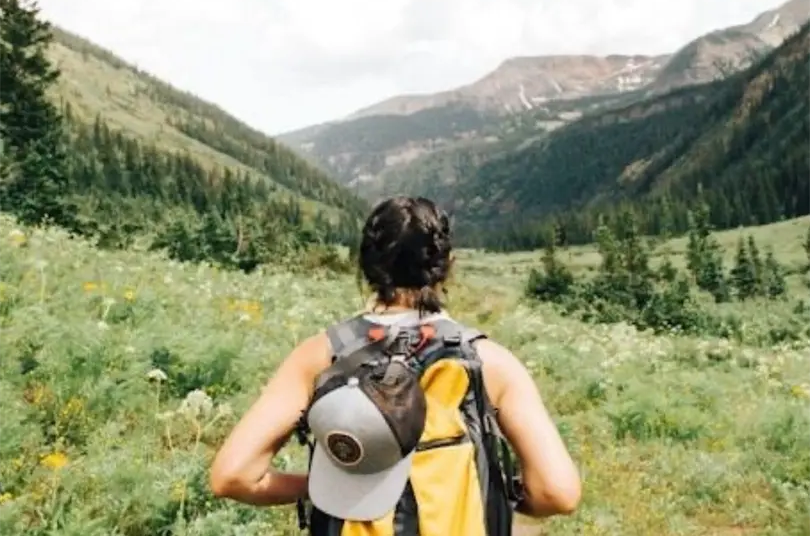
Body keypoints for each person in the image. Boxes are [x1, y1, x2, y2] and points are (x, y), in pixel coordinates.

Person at [209, 196, 581, 534]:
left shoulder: (320, 355)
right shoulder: (491, 363)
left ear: (366, 265)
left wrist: (321, 486)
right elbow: (558, 493)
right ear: (447, 265)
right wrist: (500, 493)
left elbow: (233, 476)